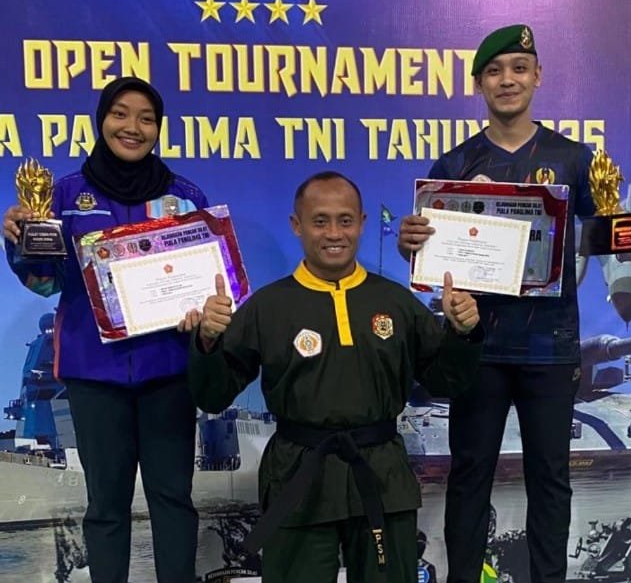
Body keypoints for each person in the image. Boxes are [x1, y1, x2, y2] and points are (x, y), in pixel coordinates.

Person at [396, 25, 631, 583]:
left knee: (550, 481)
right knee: (469, 478)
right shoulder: (455, 164)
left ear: (538, 76)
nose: (506, 80)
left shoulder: (575, 159)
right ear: (478, 83)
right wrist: (410, 243)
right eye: (494, 71)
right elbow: (432, 251)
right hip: (476, 349)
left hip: (550, 348)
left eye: (518, 68)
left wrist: (630, 236)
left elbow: (600, 235)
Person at [184, 171, 483, 583]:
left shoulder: (395, 301)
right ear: (297, 225)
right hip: (298, 475)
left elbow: (447, 382)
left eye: (345, 220)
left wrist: (463, 335)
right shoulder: (267, 307)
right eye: (319, 221)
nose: (334, 233)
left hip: (381, 475)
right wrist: (207, 342)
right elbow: (213, 395)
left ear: (362, 222)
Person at [3, 76, 207, 583]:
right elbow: (46, 284)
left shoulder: (185, 197)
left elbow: (206, 278)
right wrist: (20, 242)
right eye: (120, 114)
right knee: (106, 505)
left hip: (169, 372)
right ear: (101, 121)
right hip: (95, 375)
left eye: (146, 118)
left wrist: (202, 309)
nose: (132, 127)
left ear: (158, 129)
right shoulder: (64, 194)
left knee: (173, 500)